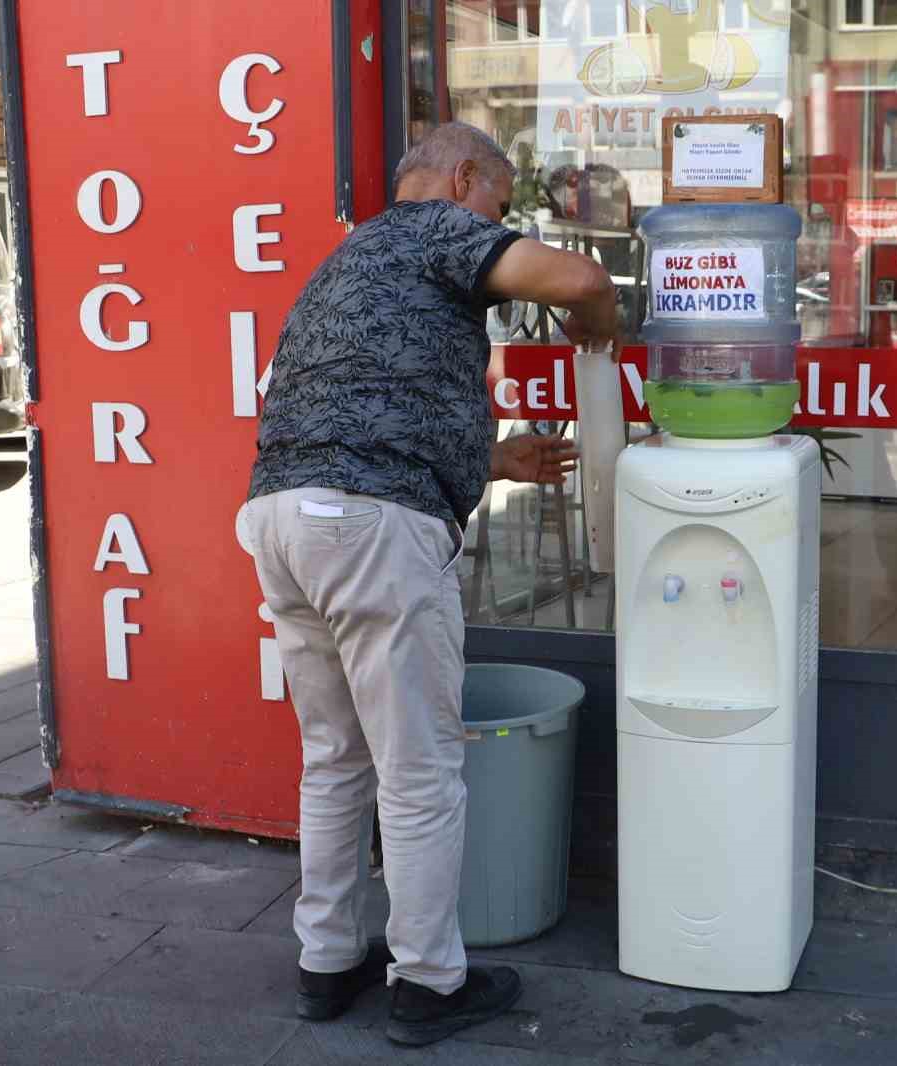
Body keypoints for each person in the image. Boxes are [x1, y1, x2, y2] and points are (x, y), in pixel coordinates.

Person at [242, 121, 620, 1047]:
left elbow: (366, 415)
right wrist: (596, 333)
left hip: (284, 518)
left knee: (335, 759)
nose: (499, 226)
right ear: (462, 180)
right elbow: (582, 281)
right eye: (498, 204)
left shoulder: (349, 256)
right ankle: (429, 982)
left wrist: (491, 458)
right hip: (370, 531)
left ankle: (326, 962)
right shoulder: (436, 228)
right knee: (420, 773)